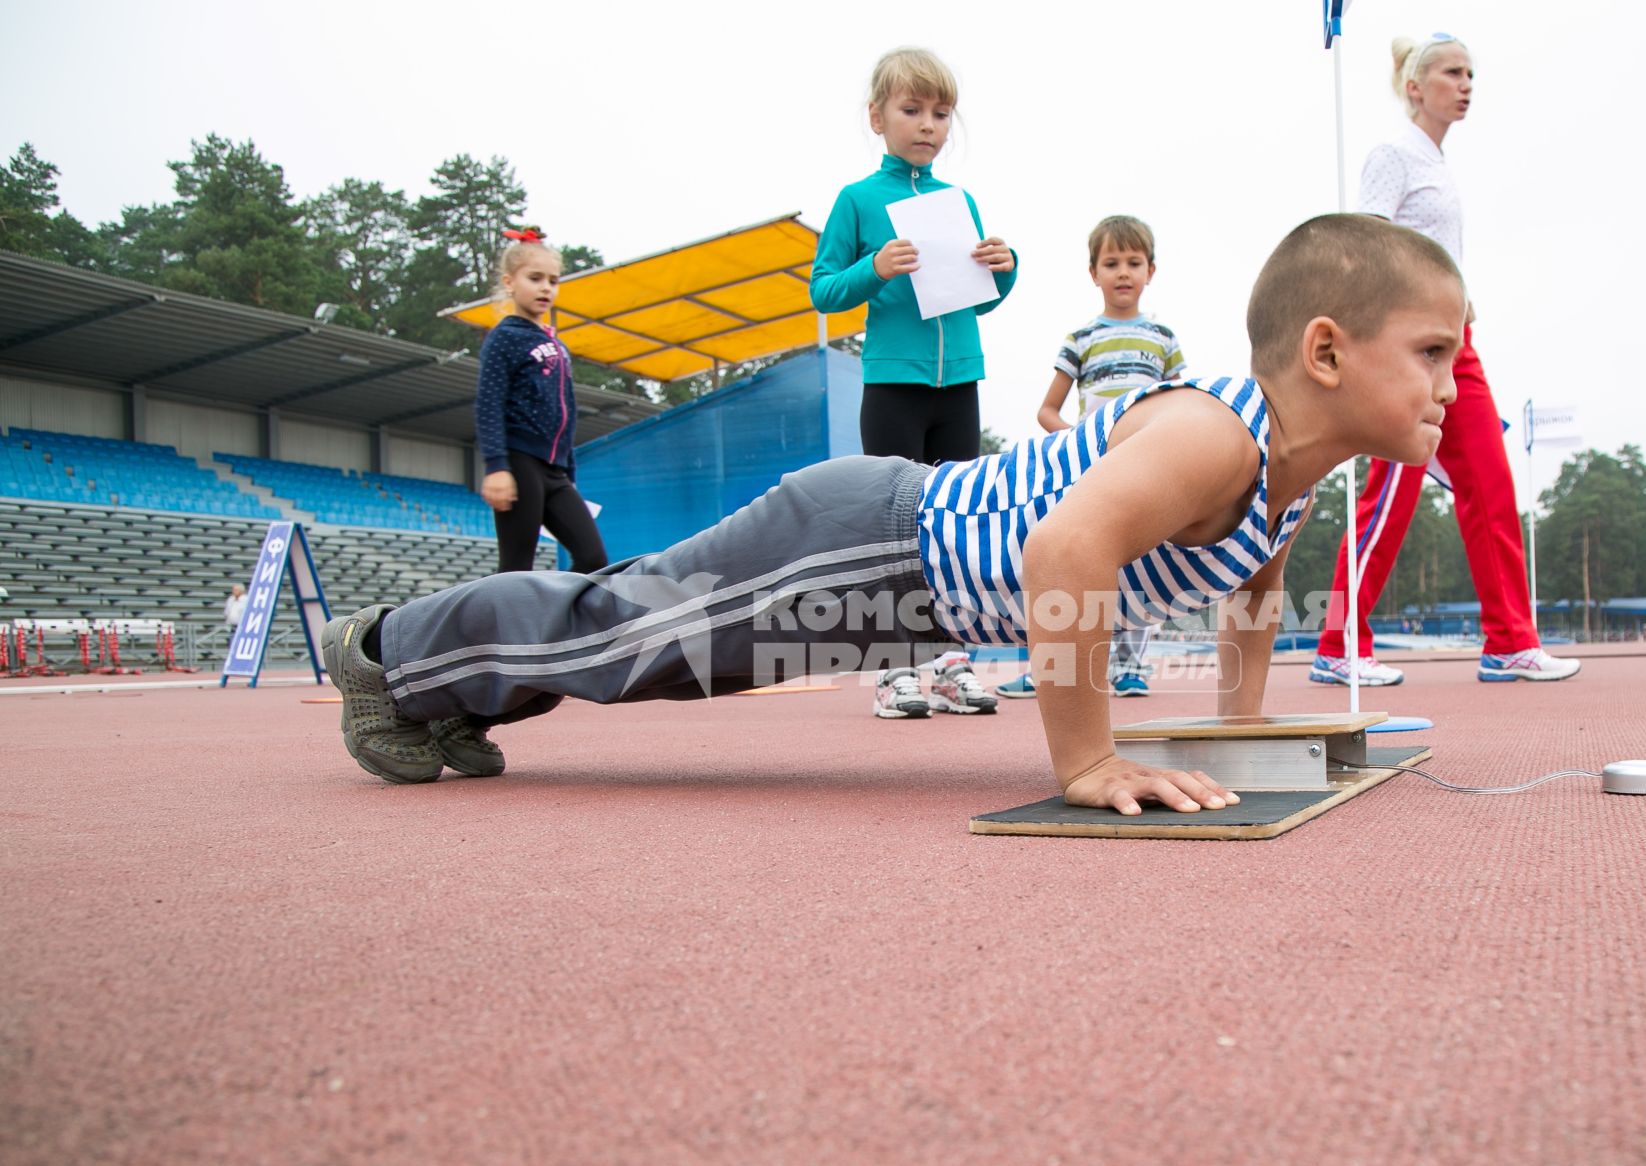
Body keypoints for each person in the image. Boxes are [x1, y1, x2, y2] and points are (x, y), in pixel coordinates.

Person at [320, 214, 1465, 815]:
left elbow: (1254, 588)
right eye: (1431, 354)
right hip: (868, 539)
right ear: (1325, 350)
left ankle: (437, 694)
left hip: (914, 605)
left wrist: (1239, 724)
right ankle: (382, 651)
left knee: (654, 661)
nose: (1451, 388)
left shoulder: (1291, 479)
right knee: (623, 629)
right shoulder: (1217, 432)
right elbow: (1070, 547)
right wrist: (1087, 760)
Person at [1310, 33, 1579, 687]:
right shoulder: (1393, 155)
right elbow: (1366, 249)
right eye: (1453, 74)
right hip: (1409, 350)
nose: (1466, 85)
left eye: (1471, 75)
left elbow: (1431, 250)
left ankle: (1511, 641)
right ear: (1415, 86)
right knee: (1391, 497)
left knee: (1492, 485)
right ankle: (1339, 644)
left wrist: (1461, 300)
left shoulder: (1439, 163)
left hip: (1459, 346)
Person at [809, 46, 1018, 720]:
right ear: (878, 117)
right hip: (892, 384)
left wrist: (1004, 268)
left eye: (941, 113)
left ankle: (954, 664)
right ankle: (892, 669)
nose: (928, 124)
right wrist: (875, 267)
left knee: (960, 527)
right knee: (896, 527)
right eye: (912, 110)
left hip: (960, 382)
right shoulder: (858, 200)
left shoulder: (961, 202)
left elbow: (978, 299)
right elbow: (824, 291)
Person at [998, 215, 1187, 701]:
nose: (1123, 272)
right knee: (1065, 559)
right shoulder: (1080, 340)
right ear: (1093, 273)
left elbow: (1185, 401)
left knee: (1141, 565)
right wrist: (1081, 439)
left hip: (1147, 469)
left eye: (1133, 262)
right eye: (1111, 263)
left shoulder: (1163, 339)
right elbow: (1046, 410)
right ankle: (1050, 665)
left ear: (1151, 271)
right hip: (1088, 469)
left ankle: (1129, 666)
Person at [474, 227, 610, 578]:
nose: (546, 288)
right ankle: (498, 632)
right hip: (520, 463)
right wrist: (496, 467)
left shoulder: (557, 344)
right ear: (509, 282)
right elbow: (489, 405)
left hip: (556, 470)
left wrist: (570, 473)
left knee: (593, 558)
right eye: (535, 278)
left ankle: (566, 630)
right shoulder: (504, 338)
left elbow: (566, 411)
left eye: (553, 280)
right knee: (517, 566)